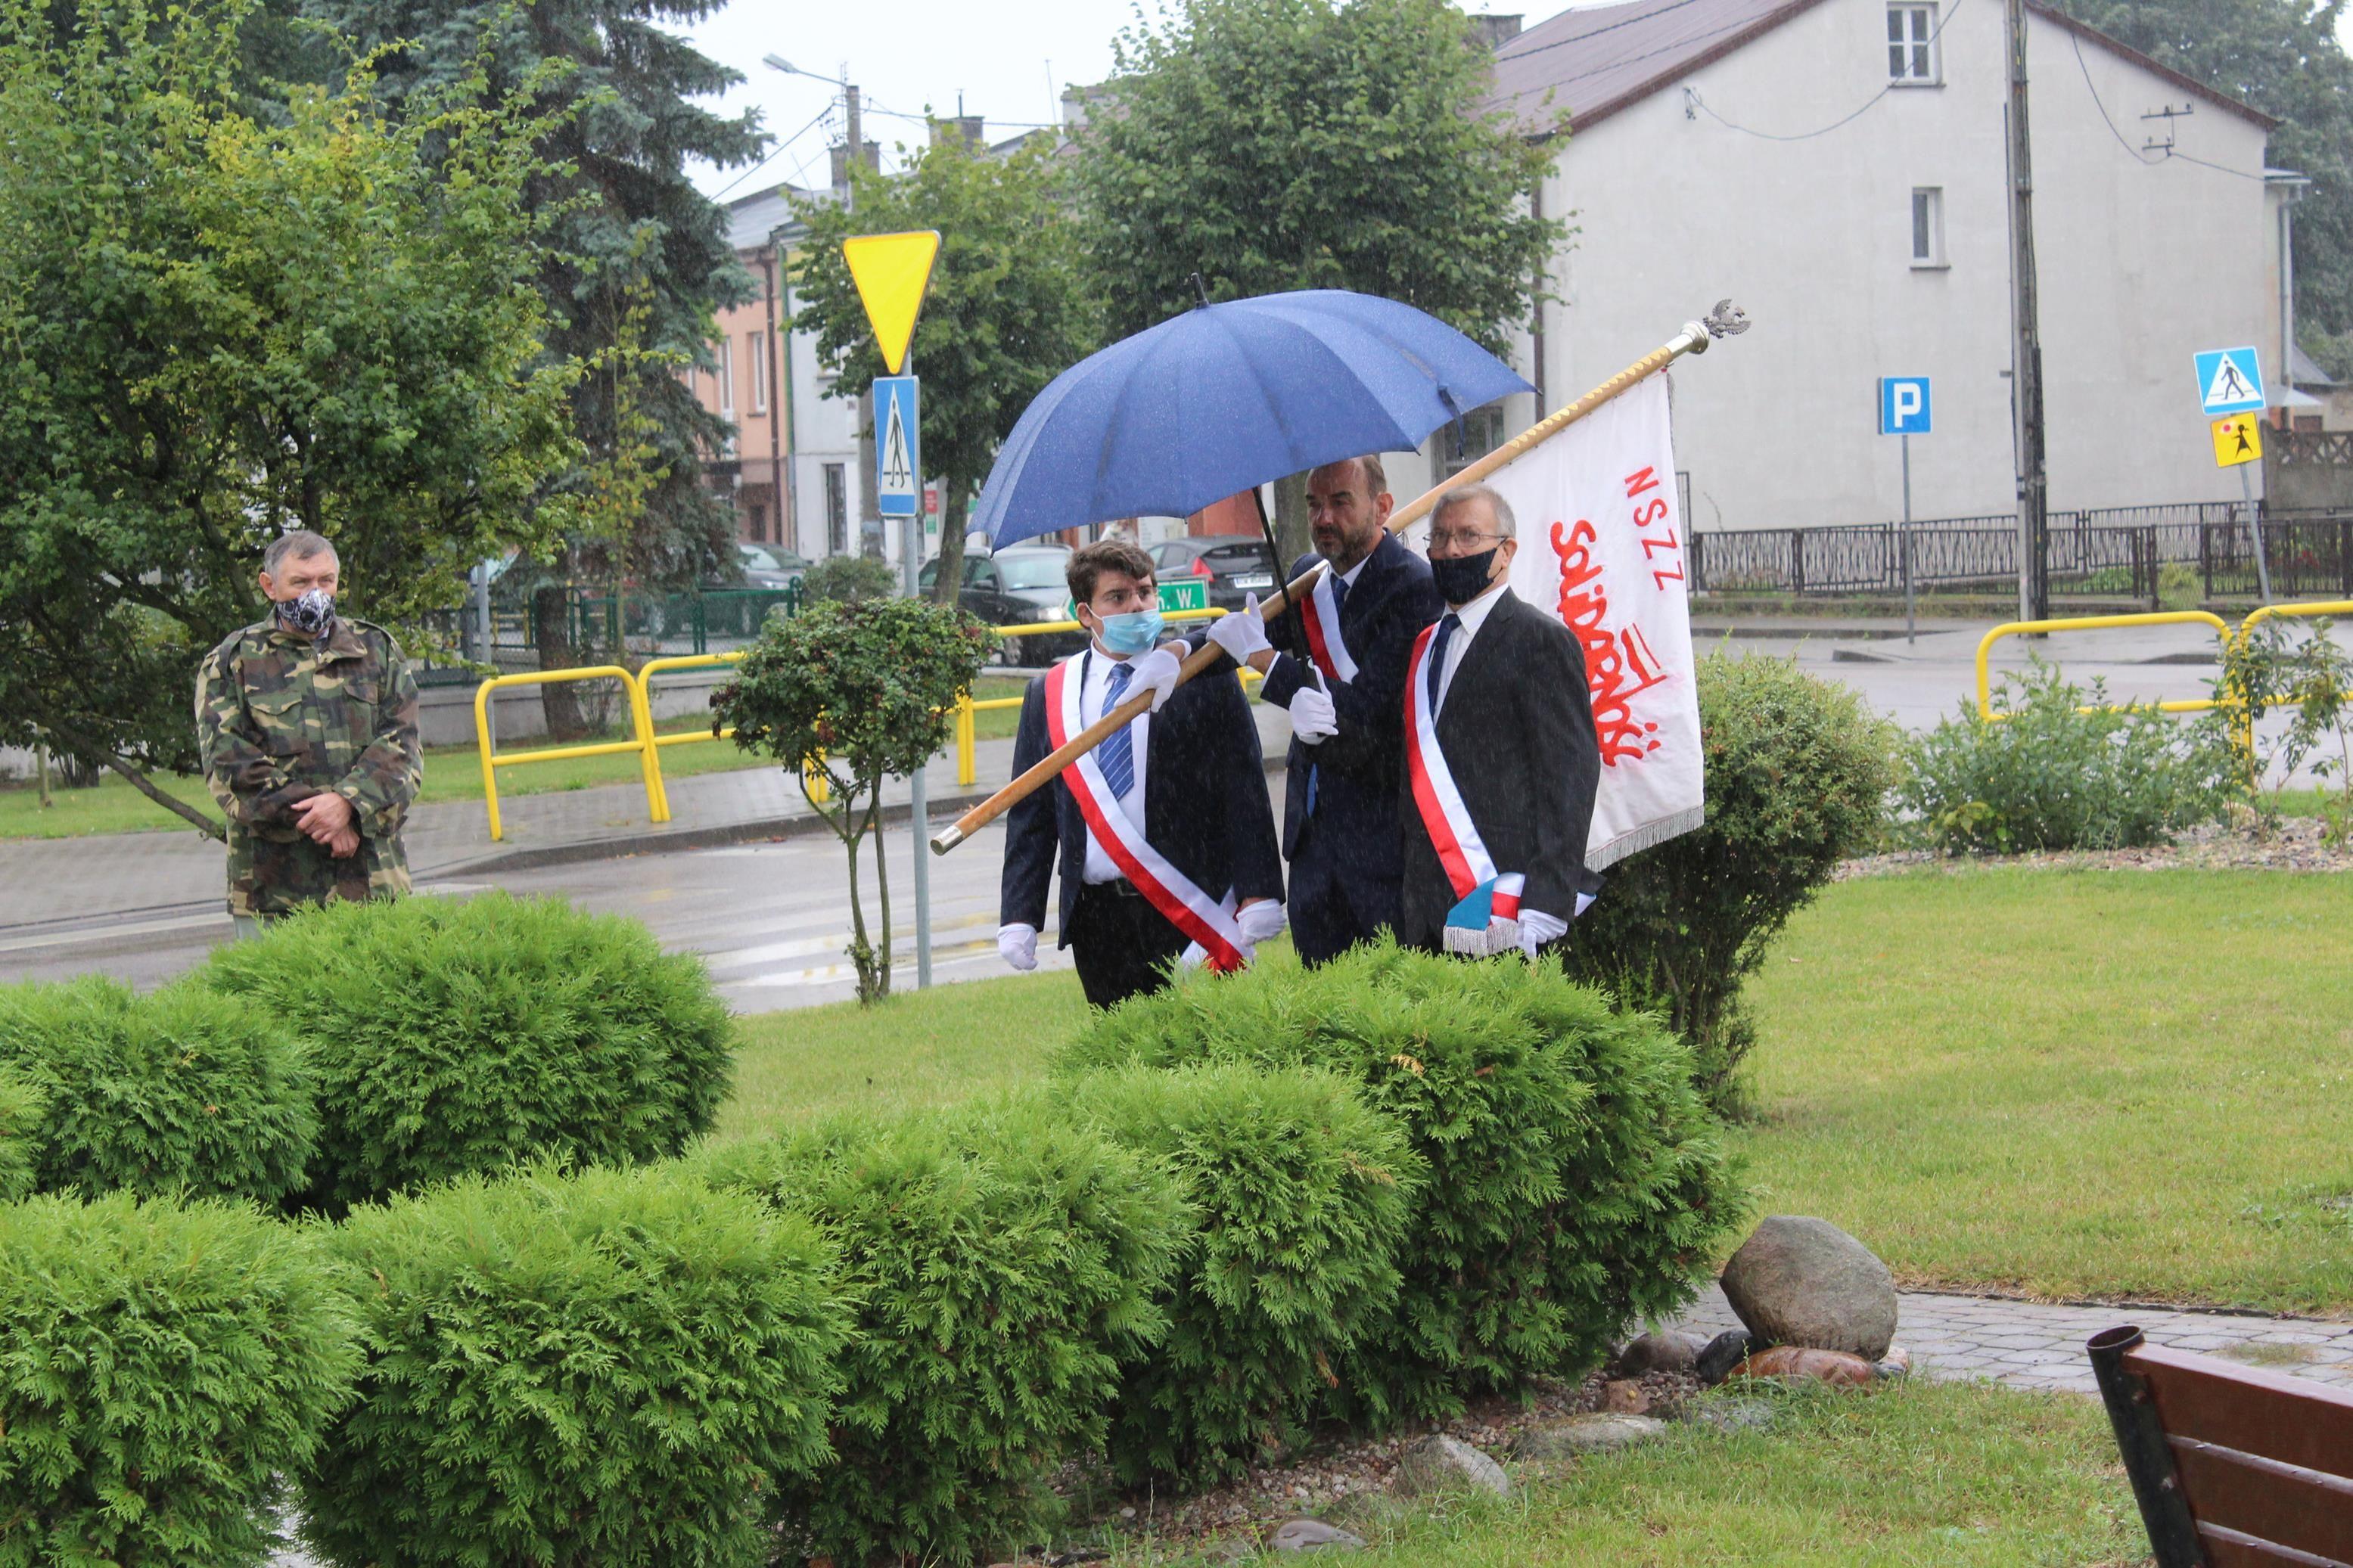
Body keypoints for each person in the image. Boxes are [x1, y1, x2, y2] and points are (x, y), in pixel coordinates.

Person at [998, 540, 1286, 1007]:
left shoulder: (1202, 674)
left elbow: (1244, 787)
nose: (1137, 605)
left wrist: (1258, 890)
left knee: (1201, 1061)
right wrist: (1020, 913)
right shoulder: (1048, 695)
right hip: (1098, 916)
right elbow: (1031, 815)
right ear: (1085, 614)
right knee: (1121, 1062)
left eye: (1146, 593)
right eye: (1118, 597)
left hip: (1190, 904)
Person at [1195, 456, 1443, 964]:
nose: (1324, 517)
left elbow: (1370, 710)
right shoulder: (1309, 578)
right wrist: (1175, 653)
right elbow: (1248, 631)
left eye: (1340, 502)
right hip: (1313, 849)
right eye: (1313, 503)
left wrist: (1265, 662)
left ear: (1383, 506)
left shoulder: (1413, 585)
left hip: (1381, 848)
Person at [1394, 483, 1600, 959]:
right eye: (1440, 538)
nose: (1451, 550)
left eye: (1469, 536)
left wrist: (1548, 897)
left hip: (1505, 904)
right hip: (1424, 905)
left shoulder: (1541, 641)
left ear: (1506, 550)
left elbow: (1570, 777)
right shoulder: (1425, 645)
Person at [195, 530, 422, 936]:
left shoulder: (376, 650)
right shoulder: (234, 661)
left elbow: (403, 747)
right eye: (300, 582)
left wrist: (349, 805)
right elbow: (229, 764)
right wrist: (325, 819)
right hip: (274, 892)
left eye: (326, 581)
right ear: (269, 586)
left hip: (373, 882)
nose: (315, 593)